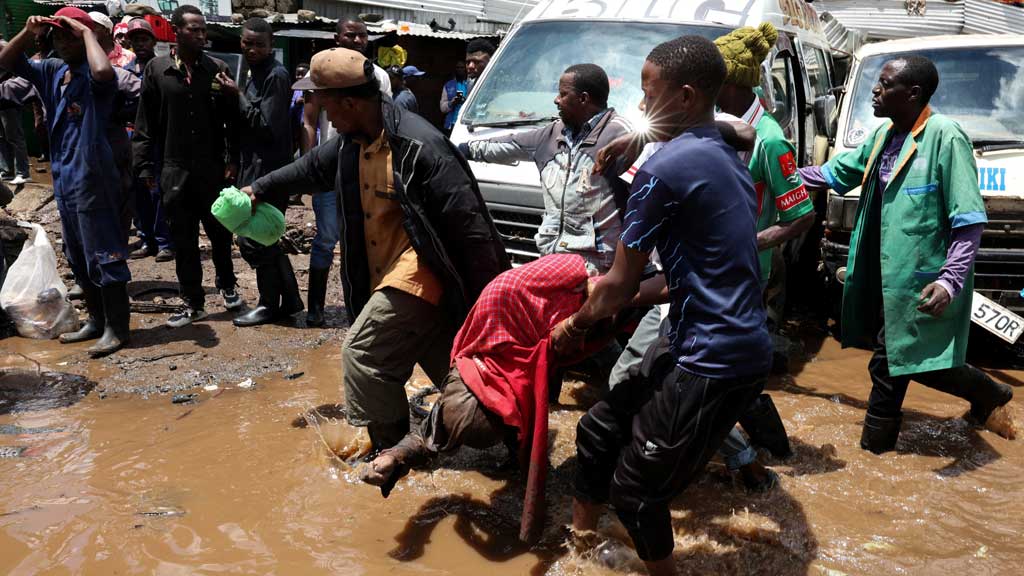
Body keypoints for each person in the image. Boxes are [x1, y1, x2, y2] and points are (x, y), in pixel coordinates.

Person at [557, 36, 772, 576]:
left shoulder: (664, 170)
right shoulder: (725, 153)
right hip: (699, 337)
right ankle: (579, 550)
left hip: (713, 359)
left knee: (635, 494)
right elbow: (681, 278)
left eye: (647, 92)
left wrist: (573, 326)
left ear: (684, 95)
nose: (639, 104)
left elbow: (620, 285)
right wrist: (639, 135)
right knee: (598, 430)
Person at [246, 47, 509, 452]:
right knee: (462, 378)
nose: (323, 113)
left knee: (364, 356)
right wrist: (258, 189)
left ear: (349, 102)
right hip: (384, 274)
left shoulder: (422, 145)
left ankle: (392, 453)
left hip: (423, 274)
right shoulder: (352, 142)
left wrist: (493, 306)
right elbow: (311, 168)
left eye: (325, 103)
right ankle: (516, 441)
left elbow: (471, 226)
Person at [799, 56, 1015, 453]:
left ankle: (874, 454)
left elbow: (968, 221)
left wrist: (949, 281)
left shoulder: (945, 137)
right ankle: (989, 393)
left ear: (912, 93)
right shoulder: (884, 136)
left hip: (923, 280)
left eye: (884, 84)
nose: (875, 92)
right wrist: (785, 177)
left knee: (887, 364)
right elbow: (835, 173)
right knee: (906, 358)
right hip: (883, 276)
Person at [362, 254, 618, 542]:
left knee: (614, 371)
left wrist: (579, 322)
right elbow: (431, 433)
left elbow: (586, 274)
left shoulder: (527, 300)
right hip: (520, 345)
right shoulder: (468, 369)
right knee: (509, 413)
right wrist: (394, 457)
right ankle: (515, 449)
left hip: (574, 305)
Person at [0, 8, 133, 356]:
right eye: (56, 35)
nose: (60, 40)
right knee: (78, 256)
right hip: (65, 179)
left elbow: (104, 70)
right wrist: (31, 32)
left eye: (66, 35)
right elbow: (6, 60)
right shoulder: (54, 71)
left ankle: (118, 329)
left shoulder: (96, 74)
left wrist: (86, 32)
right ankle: (96, 321)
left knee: (106, 256)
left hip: (95, 180)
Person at [459, 63, 630, 274]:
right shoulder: (551, 134)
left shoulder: (621, 136)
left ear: (583, 99)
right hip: (552, 260)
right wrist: (457, 150)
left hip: (597, 270)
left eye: (563, 94)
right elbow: (505, 145)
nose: (556, 100)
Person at [133, 4, 243, 328]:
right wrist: (144, 169)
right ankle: (194, 303)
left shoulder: (218, 69)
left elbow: (232, 122)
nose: (200, 35)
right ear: (176, 30)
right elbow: (145, 125)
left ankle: (228, 285)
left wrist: (233, 159)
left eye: (203, 29)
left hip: (212, 169)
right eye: (193, 29)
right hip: (174, 169)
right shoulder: (157, 70)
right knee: (184, 241)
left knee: (220, 233)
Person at [299, 15, 392, 328]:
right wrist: (310, 168)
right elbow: (309, 121)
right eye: (351, 35)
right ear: (337, 37)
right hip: (331, 168)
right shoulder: (321, 74)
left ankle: (366, 312)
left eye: (362, 36)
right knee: (326, 239)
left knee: (364, 239)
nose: (357, 41)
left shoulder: (378, 76)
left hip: (366, 170)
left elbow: (387, 124)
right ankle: (315, 309)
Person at [217, 18, 303, 327]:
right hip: (251, 166)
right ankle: (290, 301)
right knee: (264, 237)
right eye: (247, 43)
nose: (252, 49)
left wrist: (236, 96)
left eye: (259, 44)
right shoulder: (252, 74)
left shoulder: (276, 77)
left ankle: (269, 304)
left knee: (254, 239)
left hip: (268, 172)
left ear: (271, 46)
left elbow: (267, 127)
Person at [124, 17, 174, 262]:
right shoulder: (125, 72)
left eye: (144, 39)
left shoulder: (164, 70)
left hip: (157, 140)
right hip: (133, 138)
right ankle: (146, 239)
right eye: (135, 40)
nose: (140, 44)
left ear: (153, 41)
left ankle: (165, 242)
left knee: (157, 192)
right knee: (137, 192)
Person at [0, 35, 31, 185]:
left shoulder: (4, 45)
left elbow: (21, 69)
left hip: (8, 98)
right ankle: (7, 171)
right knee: (1, 137)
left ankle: (23, 172)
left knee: (14, 136)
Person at [440, 60, 467, 135]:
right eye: (458, 67)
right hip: (450, 124)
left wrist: (466, 101)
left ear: (466, 69)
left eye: (462, 67)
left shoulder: (471, 84)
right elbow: (442, 108)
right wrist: (451, 103)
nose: (460, 69)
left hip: (464, 125)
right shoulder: (448, 85)